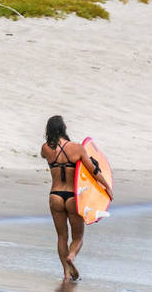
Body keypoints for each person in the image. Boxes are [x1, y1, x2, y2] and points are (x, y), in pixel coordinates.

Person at [40, 115, 113, 281]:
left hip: (55, 196)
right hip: (74, 197)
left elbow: (45, 156)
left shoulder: (45, 148)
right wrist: (106, 187)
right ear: (64, 127)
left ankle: (66, 273)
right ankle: (71, 256)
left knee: (61, 236)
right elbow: (94, 171)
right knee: (78, 237)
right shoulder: (78, 148)